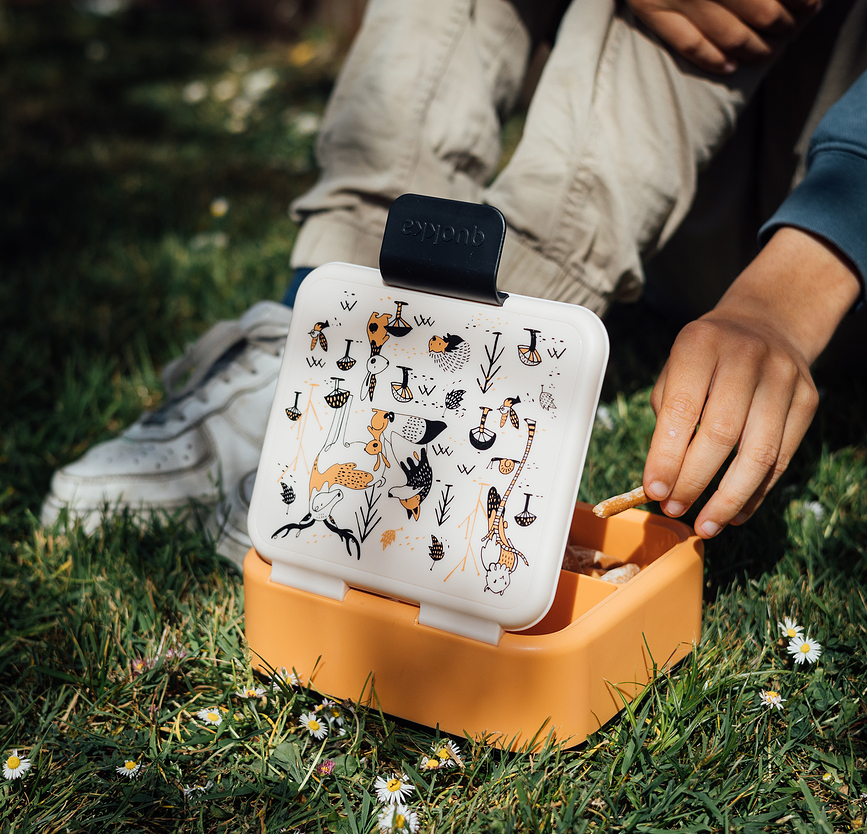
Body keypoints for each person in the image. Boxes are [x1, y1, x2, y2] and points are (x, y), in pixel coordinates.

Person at [41, 0, 867, 567]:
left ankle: (462, 361)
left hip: (816, 247)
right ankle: (322, 341)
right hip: (693, 224)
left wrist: (788, 295)